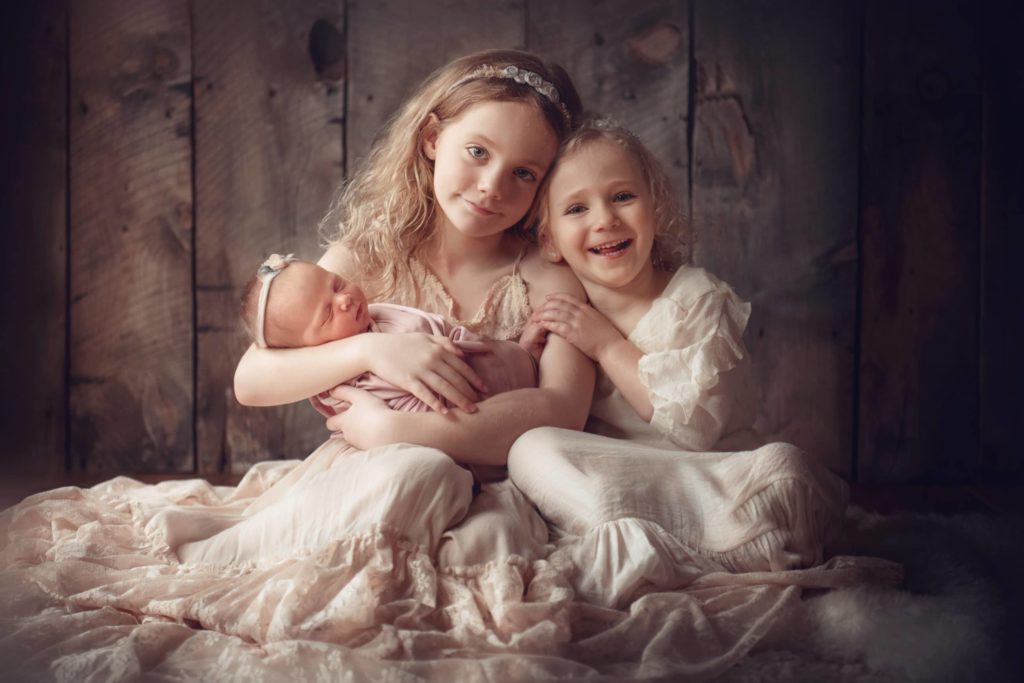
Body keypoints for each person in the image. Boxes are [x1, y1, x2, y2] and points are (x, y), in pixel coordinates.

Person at [170, 49, 594, 568]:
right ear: (432, 138)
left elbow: (564, 410)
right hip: (375, 473)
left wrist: (398, 430)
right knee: (405, 477)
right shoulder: (368, 259)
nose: (492, 186)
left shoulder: (548, 276)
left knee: (439, 490)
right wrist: (373, 350)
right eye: (478, 152)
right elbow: (251, 381)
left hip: (497, 483)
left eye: (524, 174)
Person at [507, 118, 854, 608]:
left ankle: (692, 544)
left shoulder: (698, 298)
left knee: (783, 469)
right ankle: (642, 544)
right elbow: (542, 402)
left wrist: (606, 344)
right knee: (532, 448)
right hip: (632, 487)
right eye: (577, 208)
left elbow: (691, 429)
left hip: (708, 479)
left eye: (622, 197)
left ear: (654, 206)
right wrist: (526, 349)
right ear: (548, 240)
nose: (604, 219)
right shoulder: (566, 308)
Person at [239, 254, 543, 419]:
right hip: (474, 423)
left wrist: (521, 355)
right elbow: (421, 418)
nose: (343, 300)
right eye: (327, 315)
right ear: (310, 348)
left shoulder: (376, 317)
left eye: (337, 284)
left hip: (512, 377)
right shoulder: (355, 382)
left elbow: (451, 334)